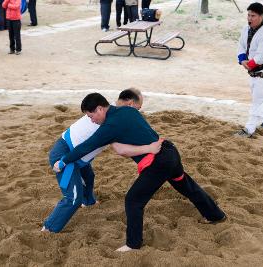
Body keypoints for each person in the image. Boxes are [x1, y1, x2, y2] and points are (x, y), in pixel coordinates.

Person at [53, 93, 227, 252]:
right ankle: (215, 215)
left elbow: (86, 146)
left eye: (91, 116)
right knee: (187, 186)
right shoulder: (128, 110)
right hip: (170, 152)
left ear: (100, 109)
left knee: (133, 200)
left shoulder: (109, 126)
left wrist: (63, 161)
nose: (91, 121)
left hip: (158, 163)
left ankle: (133, 244)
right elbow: (123, 144)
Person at [42, 89, 158, 233]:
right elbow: (87, 147)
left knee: (89, 176)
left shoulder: (114, 114)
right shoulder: (108, 119)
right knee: (73, 198)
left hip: (79, 156)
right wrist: (62, 162)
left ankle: (88, 202)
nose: (139, 110)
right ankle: (49, 228)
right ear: (129, 103)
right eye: (138, 106)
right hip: (65, 154)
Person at [236, 2, 263, 138]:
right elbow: (241, 45)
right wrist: (242, 59)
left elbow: (262, 56)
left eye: (253, 16)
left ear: (261, 16)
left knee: (259, 101)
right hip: (255, 72)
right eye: (248, 15)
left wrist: (249, 64)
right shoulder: (246, 28)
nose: (249, 18)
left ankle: (249, 129)